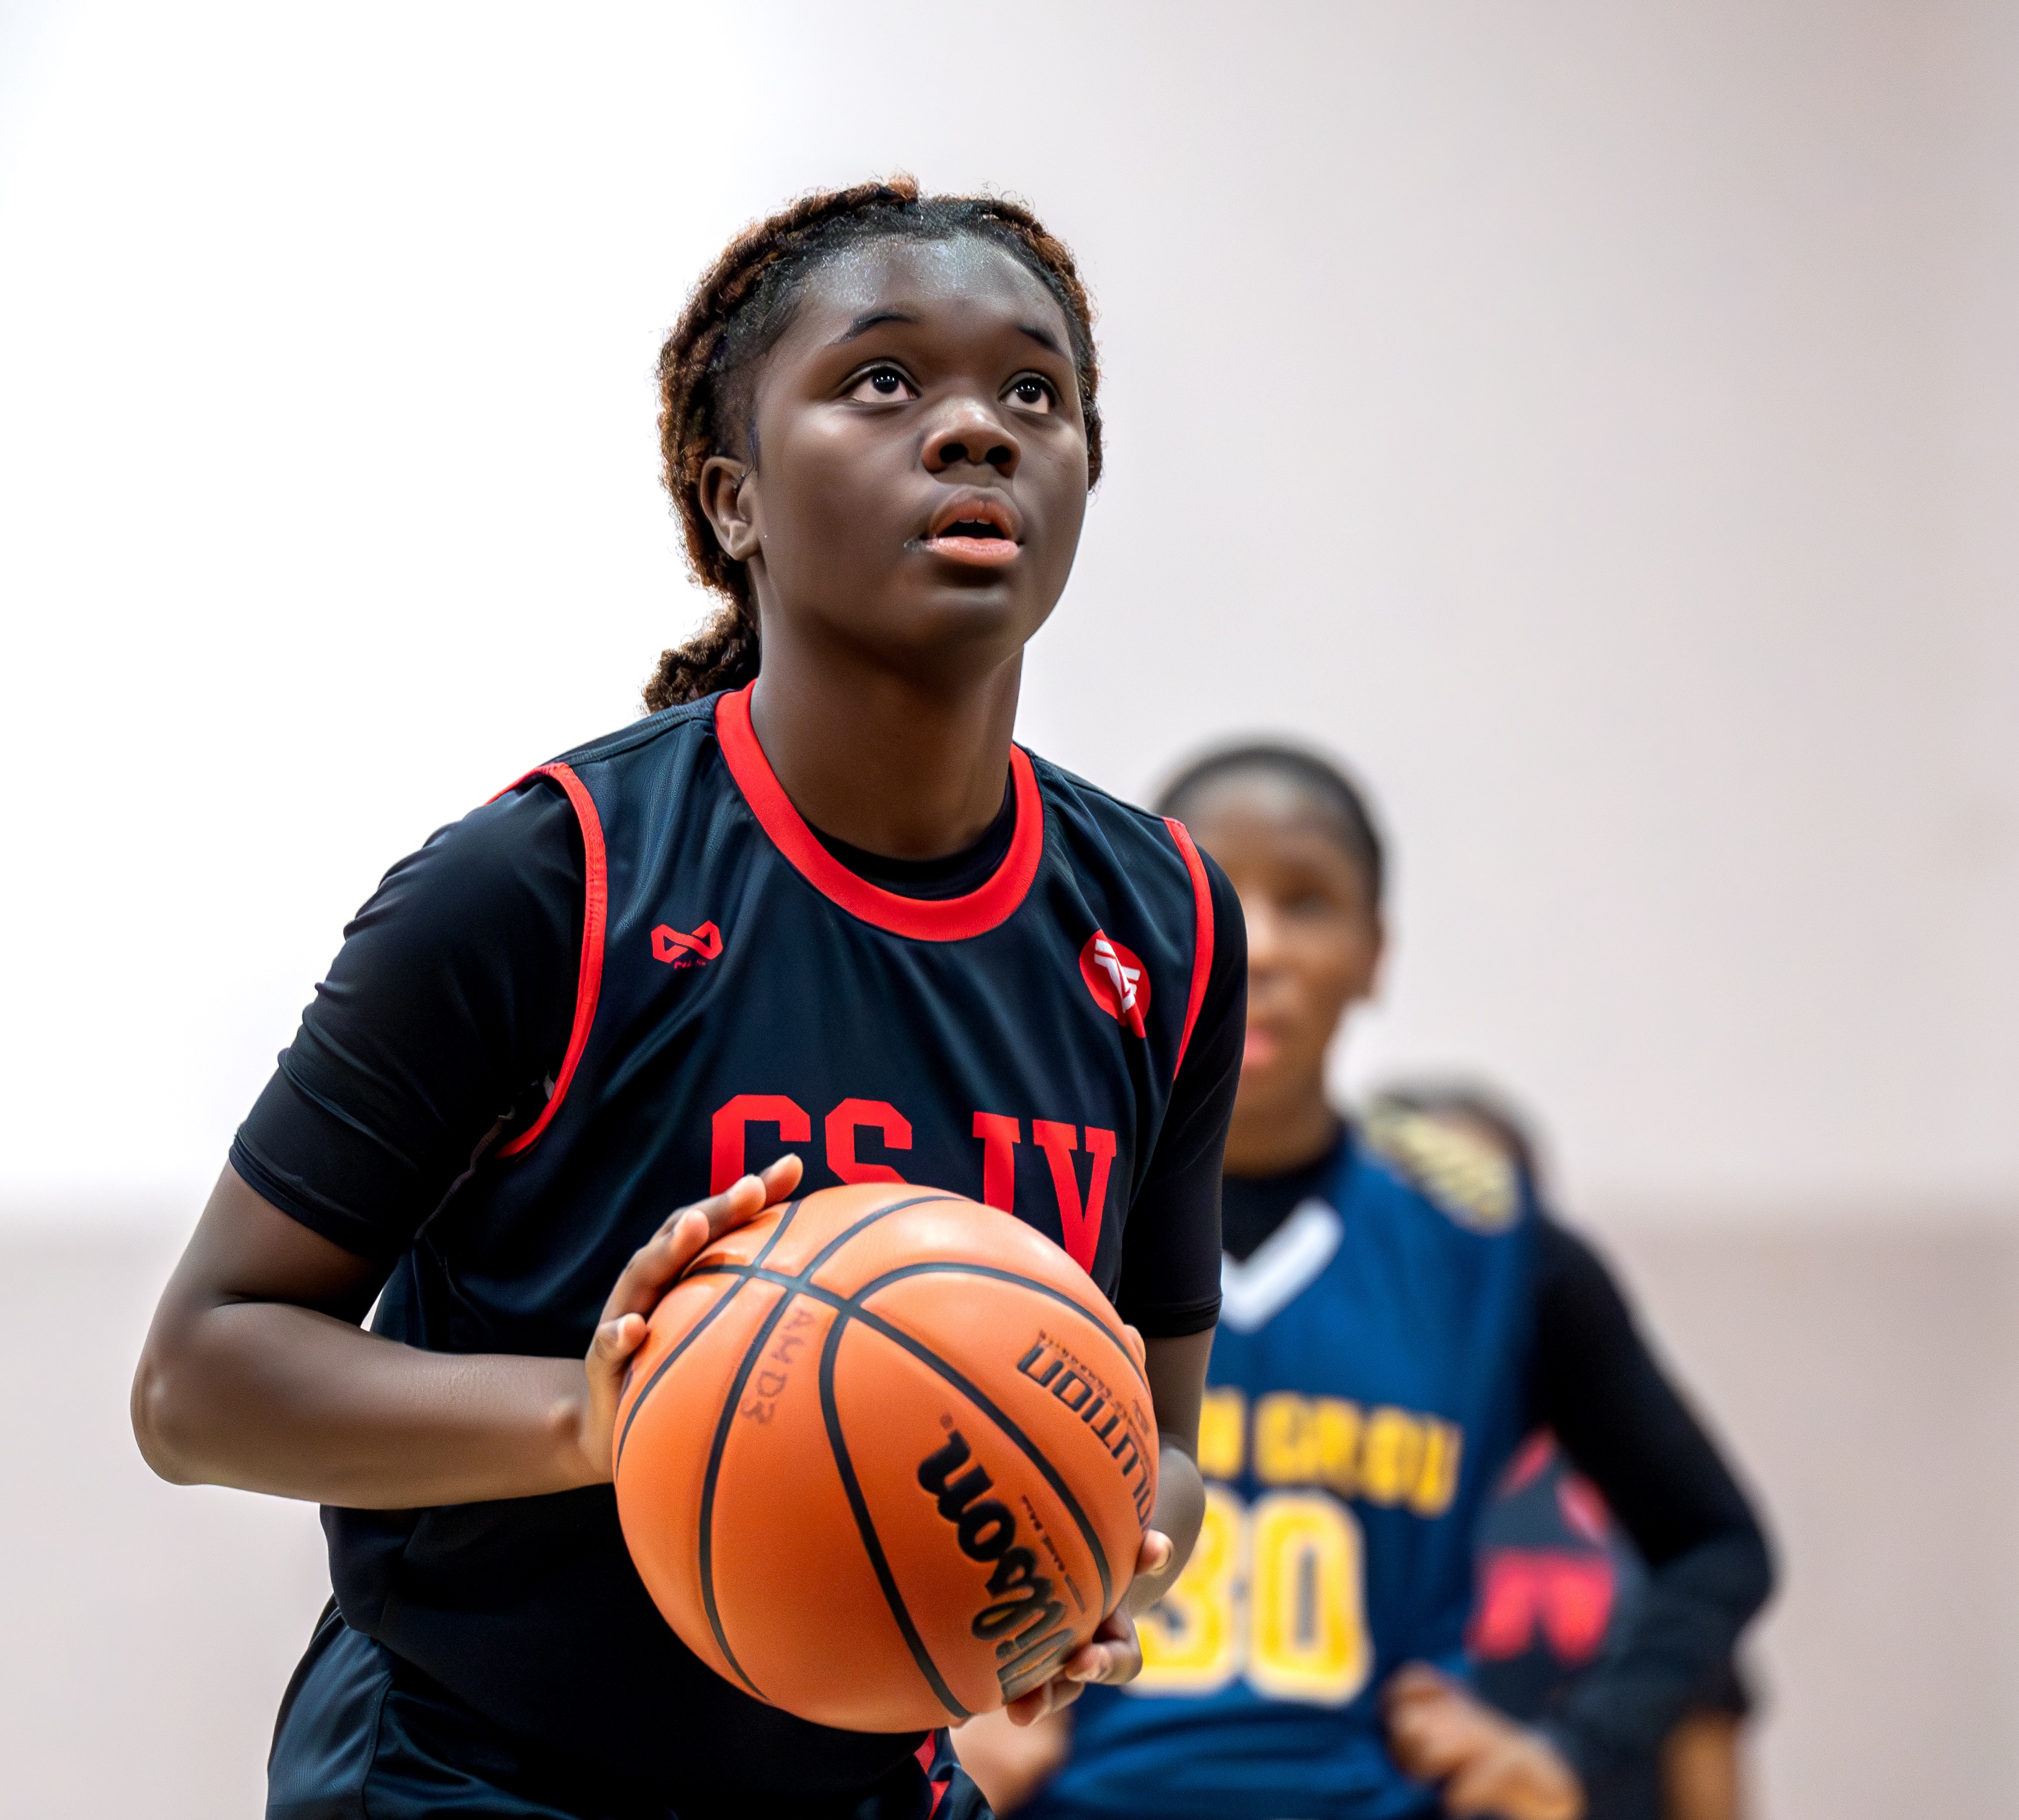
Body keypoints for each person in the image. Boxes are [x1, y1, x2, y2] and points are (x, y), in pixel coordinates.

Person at [128, 179, 1249, 1819]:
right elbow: (198, 1380)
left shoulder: (1165, 929)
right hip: (475, 1772)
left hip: (867, 1777)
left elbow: (1158, 1440)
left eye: (1036, 392)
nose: (976, 431)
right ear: (733, 499)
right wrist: (603, 1418)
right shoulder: (550, 883)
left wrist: (1087, 1559)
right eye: (882, 380)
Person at [952, 742, 1772, 1819]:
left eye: (1307, 899)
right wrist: (930, 1719)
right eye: (1211, 891)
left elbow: (1715, 1546)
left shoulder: (1488, 1243)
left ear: (1374, 953)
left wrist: (1569, 1751)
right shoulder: (1015, 1218)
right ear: (1130, 934)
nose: (1261, 944)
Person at [1394, 1081, 1757, 1820]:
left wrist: (1565, 1755)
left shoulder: (1624, 1484)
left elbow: (1707, 1719)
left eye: (1477, 1202)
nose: (1454, 1240)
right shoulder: (1317, 1463)